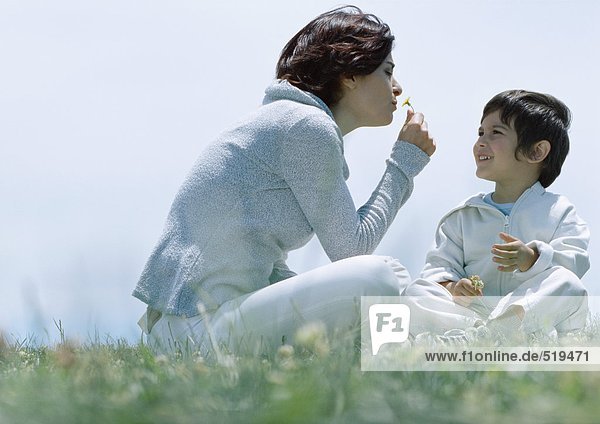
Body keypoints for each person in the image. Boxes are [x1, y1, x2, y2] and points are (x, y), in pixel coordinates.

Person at [132, 6, 435, 356]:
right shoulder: (305, 126)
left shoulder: (289, 121)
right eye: (387, 72)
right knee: (380, 276)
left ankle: (404, 349)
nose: (397, 88)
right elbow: (351, 250)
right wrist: (403, 163)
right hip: (195, 329)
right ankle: (395, 354)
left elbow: (267, 268)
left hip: (194, 325)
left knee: (396, 287)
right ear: (351, 73)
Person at [403, 89, 590, 343]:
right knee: (417, 292)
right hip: (474, 317)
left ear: (536, 152)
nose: (481, 142)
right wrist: (454, 288)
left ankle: (494, 334)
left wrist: (533, 258)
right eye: (481, 132)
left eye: (495, 133)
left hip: (529, 320)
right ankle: (480, 337)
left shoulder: (560, 212)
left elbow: (573, 264)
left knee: (567, 284)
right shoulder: (463, 216)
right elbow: (439, 269)